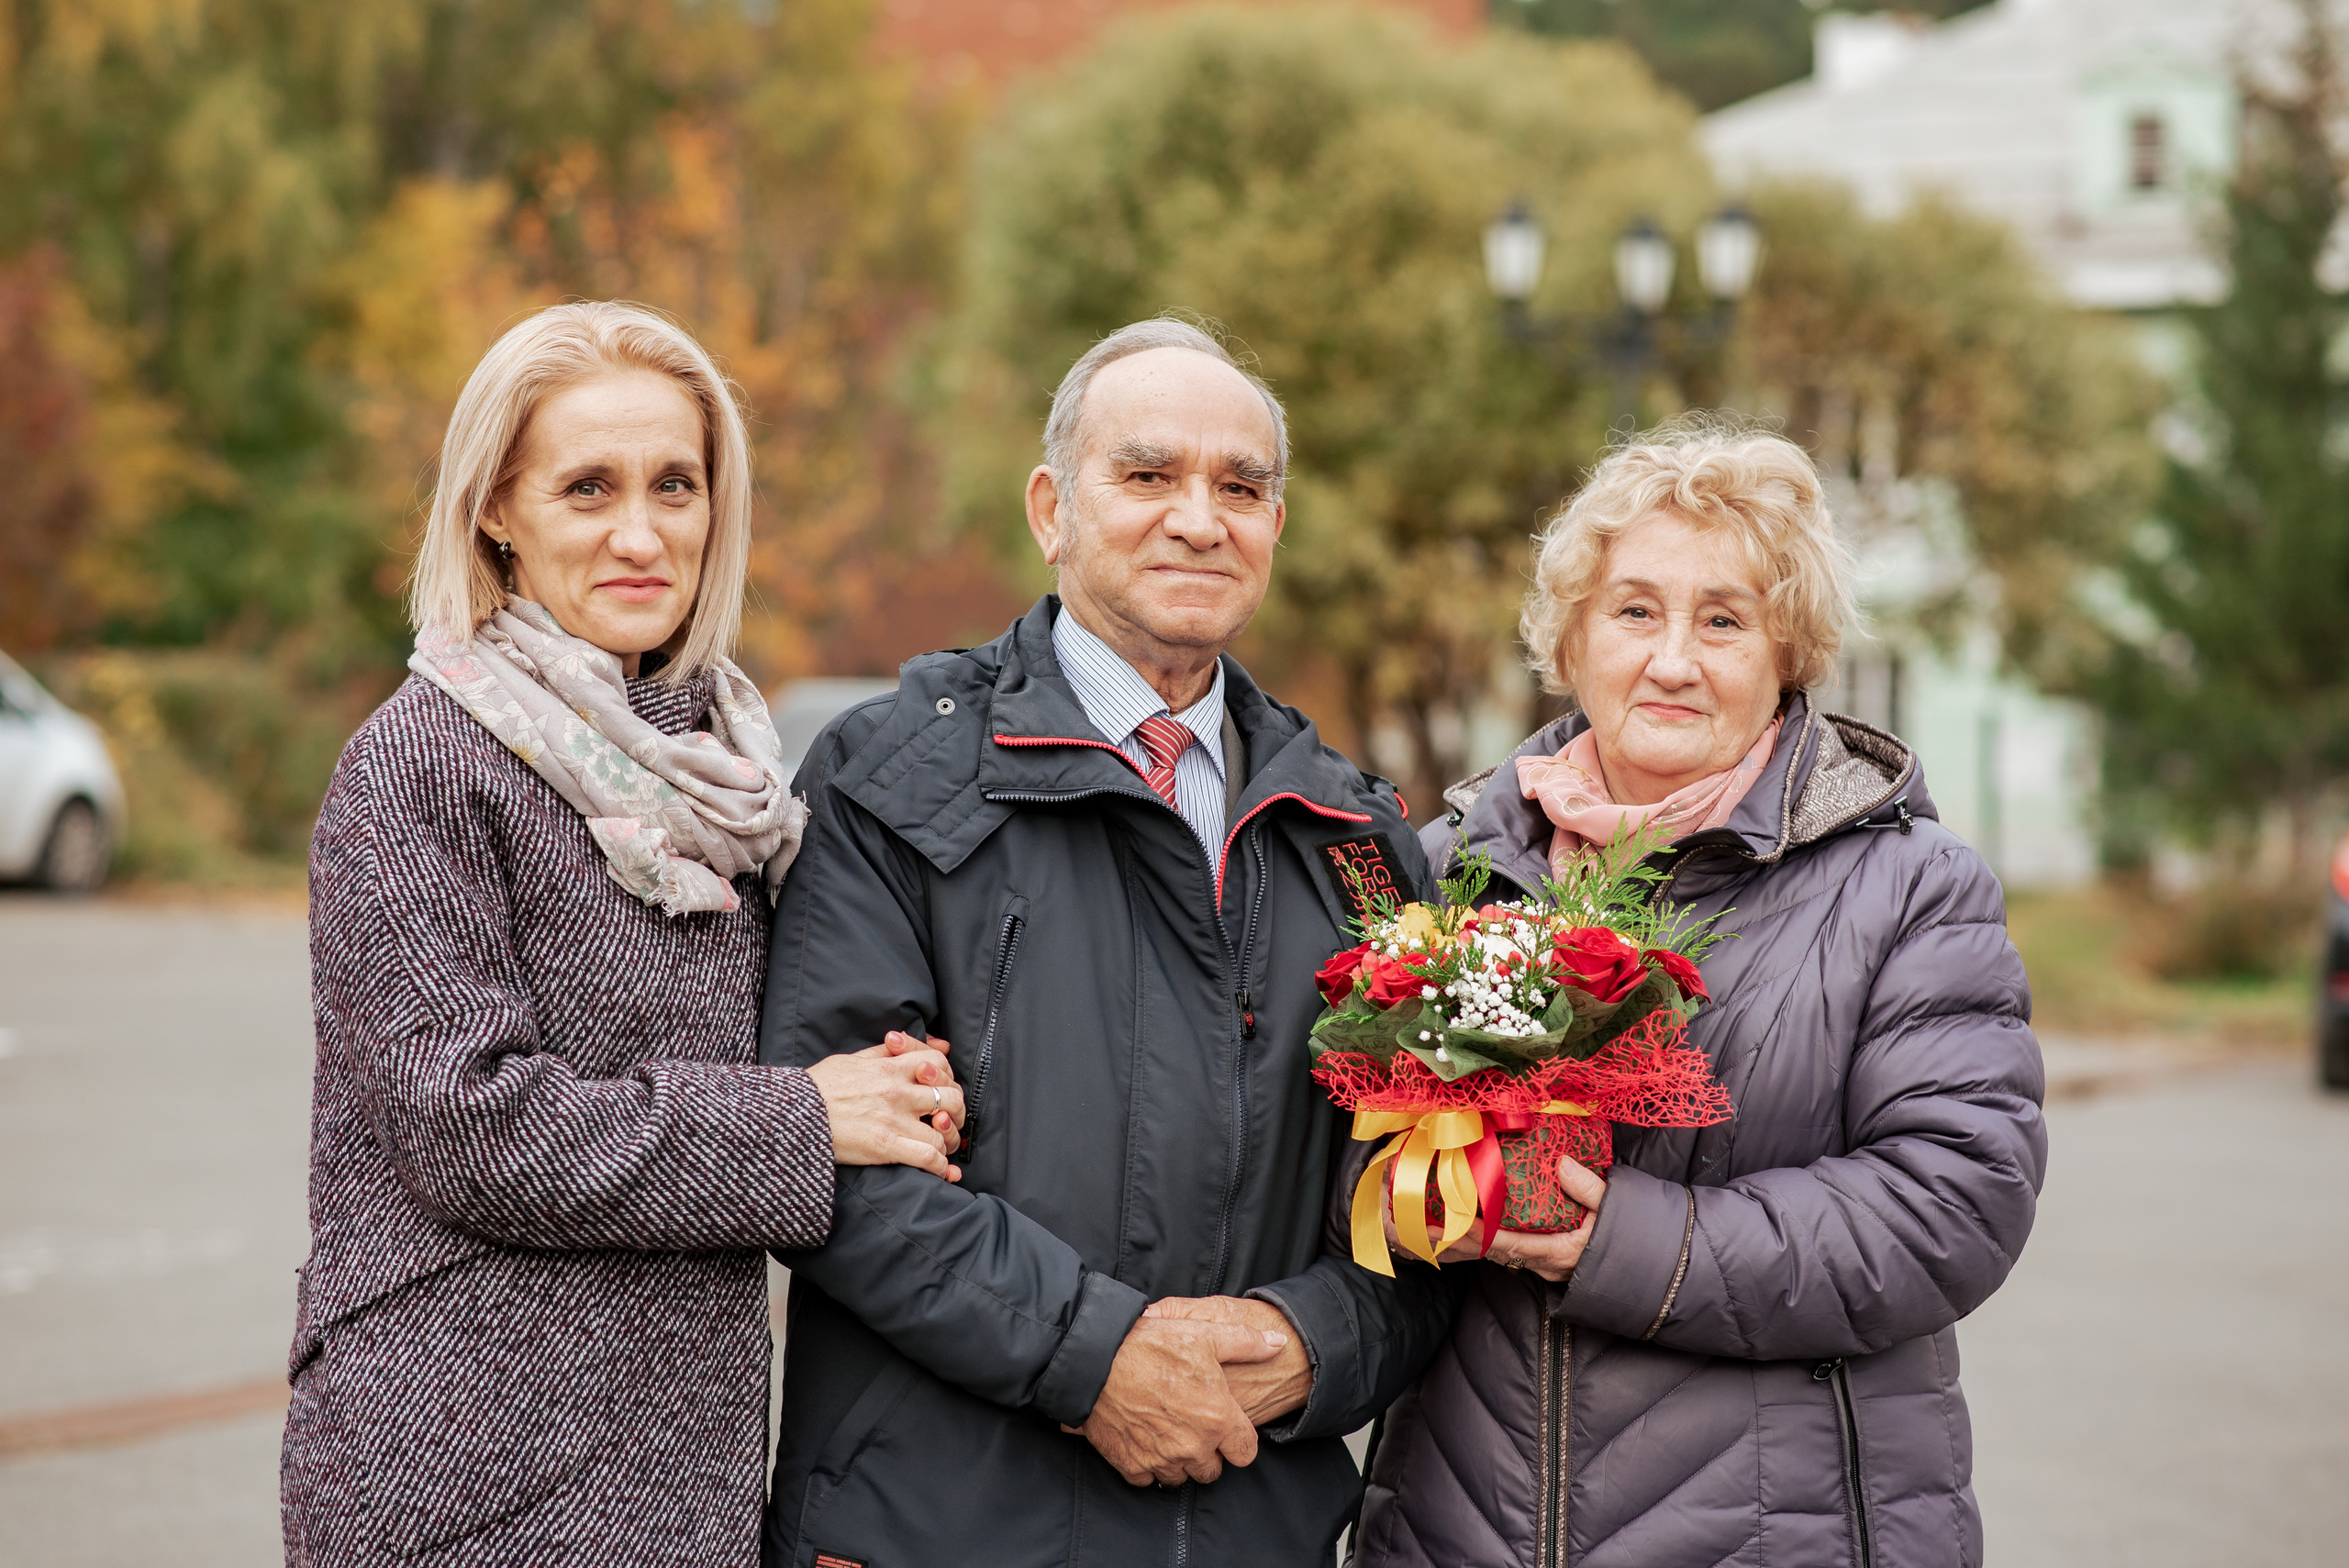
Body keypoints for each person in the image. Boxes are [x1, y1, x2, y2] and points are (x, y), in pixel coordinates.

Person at [756, 317, 1459, 1567]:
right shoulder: (888, 780)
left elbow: (1421, 1207)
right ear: (1051, 510)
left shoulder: (1356, 838)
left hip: (1248, 1526)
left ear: (1275, 525)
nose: (1199, 518)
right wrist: (1096, 1359)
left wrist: (1310, 1344)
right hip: (933, 1531)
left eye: (1239, 487)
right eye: (1147, 475)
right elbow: (837, 1167)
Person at [282, 301, 966, 1568]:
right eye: (588, 487)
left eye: (675, 485)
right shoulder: (423, 762)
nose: (641, 533)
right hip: (468, 1459)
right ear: (497, 506)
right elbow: (465, 1121)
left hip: (684, 1455)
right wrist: (799, 1121)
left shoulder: (731, 781)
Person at [1353, 423, 2047, 1568]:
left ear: (1787, 653)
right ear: (1572, 636)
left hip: (1781, 1531)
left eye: (1723, 621)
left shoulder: (1908, 885)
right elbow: (1319, 1144)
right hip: (1463, 1527)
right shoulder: (1446, 869)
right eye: (1634, 610)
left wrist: (1620, 1241)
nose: (1672, 659)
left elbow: (1953, 1200)